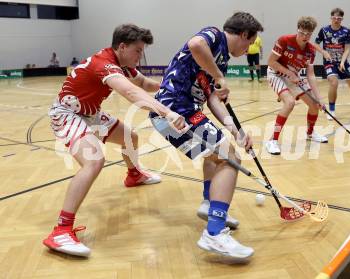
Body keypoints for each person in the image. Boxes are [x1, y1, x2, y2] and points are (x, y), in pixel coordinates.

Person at [43, 24, 186, 257]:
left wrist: (175, 88)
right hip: (67, 114)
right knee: (94, 161)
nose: (141, 56)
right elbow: (131, 93)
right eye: (138, 50)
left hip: (89, 113)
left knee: (131, 137)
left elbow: (144, 85)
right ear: (122, 46)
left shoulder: (123, 65)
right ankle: (61, 229)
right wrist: (167, 113)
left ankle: (134, 175)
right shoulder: (105, 64)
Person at [150, 12, 263, 259]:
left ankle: (209, 204)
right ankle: (214, 233)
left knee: (217, 155)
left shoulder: (220, 62)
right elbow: (195, 44)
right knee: (229, 157)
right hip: (174, 109)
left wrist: (237, 131)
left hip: (185, 110)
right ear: (243, 34)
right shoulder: (213, 35)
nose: (248, 50)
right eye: (250, 43)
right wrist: (220, 77)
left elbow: (212, 98)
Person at [265, 16, 328, 155]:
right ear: (297, 30)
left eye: (308, 34)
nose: (305, 36)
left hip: (293, 76)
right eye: (302, 33)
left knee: (314, 105)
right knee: (289, 103)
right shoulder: (284, 40)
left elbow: (310, 75)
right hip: (275, 74)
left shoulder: (311, 50)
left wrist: (320, 98)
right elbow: (270, 61)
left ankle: (310, 134)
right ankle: (272, 140)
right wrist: (290, 74)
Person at [313, 8, 350, 120]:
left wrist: (342, 62)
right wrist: (323, 52)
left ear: (342, 19)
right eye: (334, 18)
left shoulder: (347, 31)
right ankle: (331, 111)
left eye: (339, 18)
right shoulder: (324, 30)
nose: (336, 20)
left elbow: (347, 49)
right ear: (331, 18)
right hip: (329, 62)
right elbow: (315, 44)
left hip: (343, 62)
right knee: (333, 82)